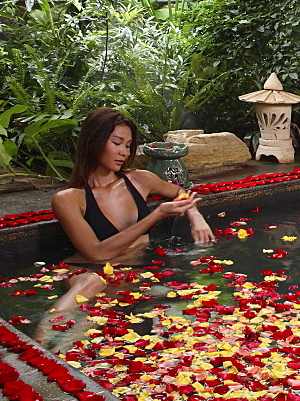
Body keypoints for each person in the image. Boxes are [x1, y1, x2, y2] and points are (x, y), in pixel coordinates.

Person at [50, 107, 214, 310]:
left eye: (128, 146)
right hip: (85, 269)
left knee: (103, 307)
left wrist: (196, 216)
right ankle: (34, 341)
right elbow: (96, 254)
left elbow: (180, 192)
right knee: (94, 283)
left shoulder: (139, 180)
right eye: (117, 143)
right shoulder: (68, 199)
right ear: (93, 142)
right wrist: (157, 214)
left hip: (125, 270)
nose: (124, 152)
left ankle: (48, 341)